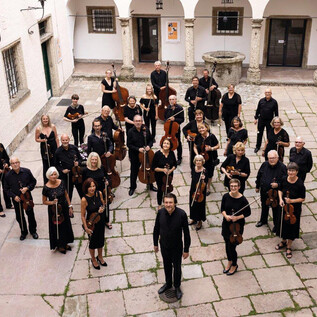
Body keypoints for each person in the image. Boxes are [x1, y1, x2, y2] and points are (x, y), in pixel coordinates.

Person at [153, 193, 191, 300]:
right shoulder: (160, 213)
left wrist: (186, 249)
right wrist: (155, 243)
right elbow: (156, 229)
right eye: (166, 202)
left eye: (170, 202)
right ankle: (168, 283)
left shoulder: (182, 214)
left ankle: (177, 286)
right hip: (164, 245)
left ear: (175, 203)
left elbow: (186, 233)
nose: (168, 205)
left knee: (177, 267)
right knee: (166, 265)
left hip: (177, 247)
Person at [275, 162, 305, 259]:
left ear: (296, 172)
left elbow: (302, 198)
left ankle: (289, 246)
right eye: (289, 170)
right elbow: (279, 189)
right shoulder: (284, 179)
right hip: (284, 207)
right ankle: (283, 241)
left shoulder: (300, 184)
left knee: (292, 226)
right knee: (283, 224)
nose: (290, 173)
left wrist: (292, 200)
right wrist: (280, 199)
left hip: (294, 210)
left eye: (292, 171)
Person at [221, 179, 251, 275]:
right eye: (232, 186)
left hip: (237, 227)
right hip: (226, 224)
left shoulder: (243, 200)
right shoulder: (226, 196)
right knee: (226, 243)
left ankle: (234, 264)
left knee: (232, 246)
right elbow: (222, 209)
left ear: (239, 187)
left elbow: (248, 213)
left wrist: (237, 217)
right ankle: (229, 260)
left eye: (235, 186)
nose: (233, 188)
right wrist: (226, 216)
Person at [4, 157, 38, 240]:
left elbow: (33, 182)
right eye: (13, 163)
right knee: (19, 216)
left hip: (27, 197)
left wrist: (27, 188)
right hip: (17, 199)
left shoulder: (26, 171)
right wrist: (13, 196)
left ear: (19, 163)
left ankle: (33, 231)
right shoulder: (8, 175)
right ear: (11, 165)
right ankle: (23, 232)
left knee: (30, 214)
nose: (15, 164)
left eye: (16, 162)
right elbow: (6, 189)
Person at [42, 167, 74, 254]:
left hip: (63, 207)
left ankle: (65, 243)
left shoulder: (61, 182)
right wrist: (52, 202)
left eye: (55, 174)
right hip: (54, 210)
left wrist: (70, 206)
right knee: (57, 227)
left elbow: (66, 195)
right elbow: (44, 201)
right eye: (51, 174)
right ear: (48, 176)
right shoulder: (46, 187)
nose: (53, 176)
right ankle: (60, 245)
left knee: (65, 225)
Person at [255, 150, 287, 231]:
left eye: (273, 158)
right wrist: (257, 186)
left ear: (277, 158)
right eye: (270, 158)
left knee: (275, 210)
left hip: (275, 194)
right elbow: (259, 175)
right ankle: (263, 220)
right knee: (264, 206)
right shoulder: (264, 164)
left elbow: (286, 182)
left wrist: (278, 185)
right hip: (264, 191)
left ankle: (276, 225)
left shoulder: (282, 167)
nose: (271, 160)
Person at [81, 178, 107, 269]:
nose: (92, 188)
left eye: (93, 186)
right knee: (92, 242)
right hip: (91, 224)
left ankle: (100, 256)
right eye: (90, 187)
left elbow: (103, 204)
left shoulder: (99, 193)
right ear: (86, 188)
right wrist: (86, 228)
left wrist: (102, 208)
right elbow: (83, 215)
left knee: (101, 240)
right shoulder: (84, 199)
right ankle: (93, 259)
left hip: (101, 220)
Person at [127, 115, 156, 196]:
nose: (138, 122)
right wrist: (138, 149)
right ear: (134, 122)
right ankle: (132, 187)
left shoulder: (145, 129)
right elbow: (129, 144)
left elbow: (151, 140)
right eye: (136, 121)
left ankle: (150, 185)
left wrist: (149, 146)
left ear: (142, 121)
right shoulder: (130, 132)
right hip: (135, 154)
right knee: (134, 171)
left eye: (139, 121)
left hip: (146, 154)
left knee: (148, 168)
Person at [82, 152, 112, 229]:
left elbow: (106, 177)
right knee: (94, 208)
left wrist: (107, 181)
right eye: (92, 160)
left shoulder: (101, 167)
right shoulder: (85, 170)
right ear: (89, 160)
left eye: (95, 159)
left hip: (101, 191)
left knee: (105, 205)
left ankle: (106, 220)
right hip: (91, 193)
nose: (94, 161)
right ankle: (93, 221)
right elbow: (83, 183)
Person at [55, 134, 83, 201]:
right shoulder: (58, 151)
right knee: (68, 194)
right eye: (63, 140)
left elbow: (80, 159)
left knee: (81, 192)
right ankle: (68, 209)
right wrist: (62, 170)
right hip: (67, 175)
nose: (65, 141)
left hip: (76, 174)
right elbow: (56, 165)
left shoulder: (74, 148)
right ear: (61, 141)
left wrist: (78, 163)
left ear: (69, 140)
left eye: (66, 140)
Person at [194, 122, 219, 195]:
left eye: (202, 128)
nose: (201, 130)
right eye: (199, 128)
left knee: (210, 173)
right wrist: (197, 155)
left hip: (210, 158)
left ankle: (208, 187)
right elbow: (195, 147)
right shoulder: (198, 137)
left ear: (206, 128)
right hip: (201, 159)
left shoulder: (212, 136)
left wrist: (211, 148)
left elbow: (218, 146)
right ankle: (200, 185)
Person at [152, 138, 177, 208]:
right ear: (162, 144)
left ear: (170, 145)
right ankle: (159, 205)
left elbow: (175, 165)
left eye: (167, 143)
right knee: (160, 189)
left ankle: (168, 203)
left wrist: (170, 170)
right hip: (159, 175)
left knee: (168, 188)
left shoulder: (171, 153)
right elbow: (153, 167)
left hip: (169, 175)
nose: (165, 145)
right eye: (164, 143)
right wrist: (163, 170)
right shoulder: (157, 154)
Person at [35, 114, 59, 183]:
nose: (45, 120)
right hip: (44, 148)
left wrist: (58, 147)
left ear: (48, 119)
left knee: (54, 162)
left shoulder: (53, 126)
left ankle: (56, 180)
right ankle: (47, 182)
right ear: (42, 120)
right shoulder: (38, 129)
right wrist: (42, 140)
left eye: (46, 119)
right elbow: (36, 139)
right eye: (44, 119)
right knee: (46, 164)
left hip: (53, 147)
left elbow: (56, 137)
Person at [254, 88, 279, 153]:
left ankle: (269, 147)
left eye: (269, 92)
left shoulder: (274, 102)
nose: (267, 94)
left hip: (270, 121)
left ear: (271, 93)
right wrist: (256, 118)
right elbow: (258, 110)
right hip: (261, 120)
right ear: (265, 93)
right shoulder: (261, 101)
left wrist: (276, 122)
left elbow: (276, 112)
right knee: (259, 133)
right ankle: (258, 146)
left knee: (269, 134)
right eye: (266, 93)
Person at [164, 95, 184, 165]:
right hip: (168, 129)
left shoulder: (179, 108)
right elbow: (165, 118)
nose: (171, 101)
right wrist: (167, 120)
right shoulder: (168, 108)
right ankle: (168, 156)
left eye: (173, 99)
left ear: (175, 100)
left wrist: (175, 119)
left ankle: (179, 157)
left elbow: (182, 119)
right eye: (170, 99)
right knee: (167, 142)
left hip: (176, 129)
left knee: (178, 143)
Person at [189, 155, 207, 231]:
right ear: (195, 162)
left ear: (202, 162)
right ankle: (193, 218)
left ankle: (199, 221)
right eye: (197, 160)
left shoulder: (205, 171)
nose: (198, 162)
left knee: (200, 205)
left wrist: (203, 179)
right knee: (192, 204)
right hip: (193, 189)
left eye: (200, 160)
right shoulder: (193, 168)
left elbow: (205, 183)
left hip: (201, 191)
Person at [0, 143, 12, 213]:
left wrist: (6, 163)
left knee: (6, 187)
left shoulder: (0, 145)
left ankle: (8, 204)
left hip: (4, 171)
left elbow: (6, 157)